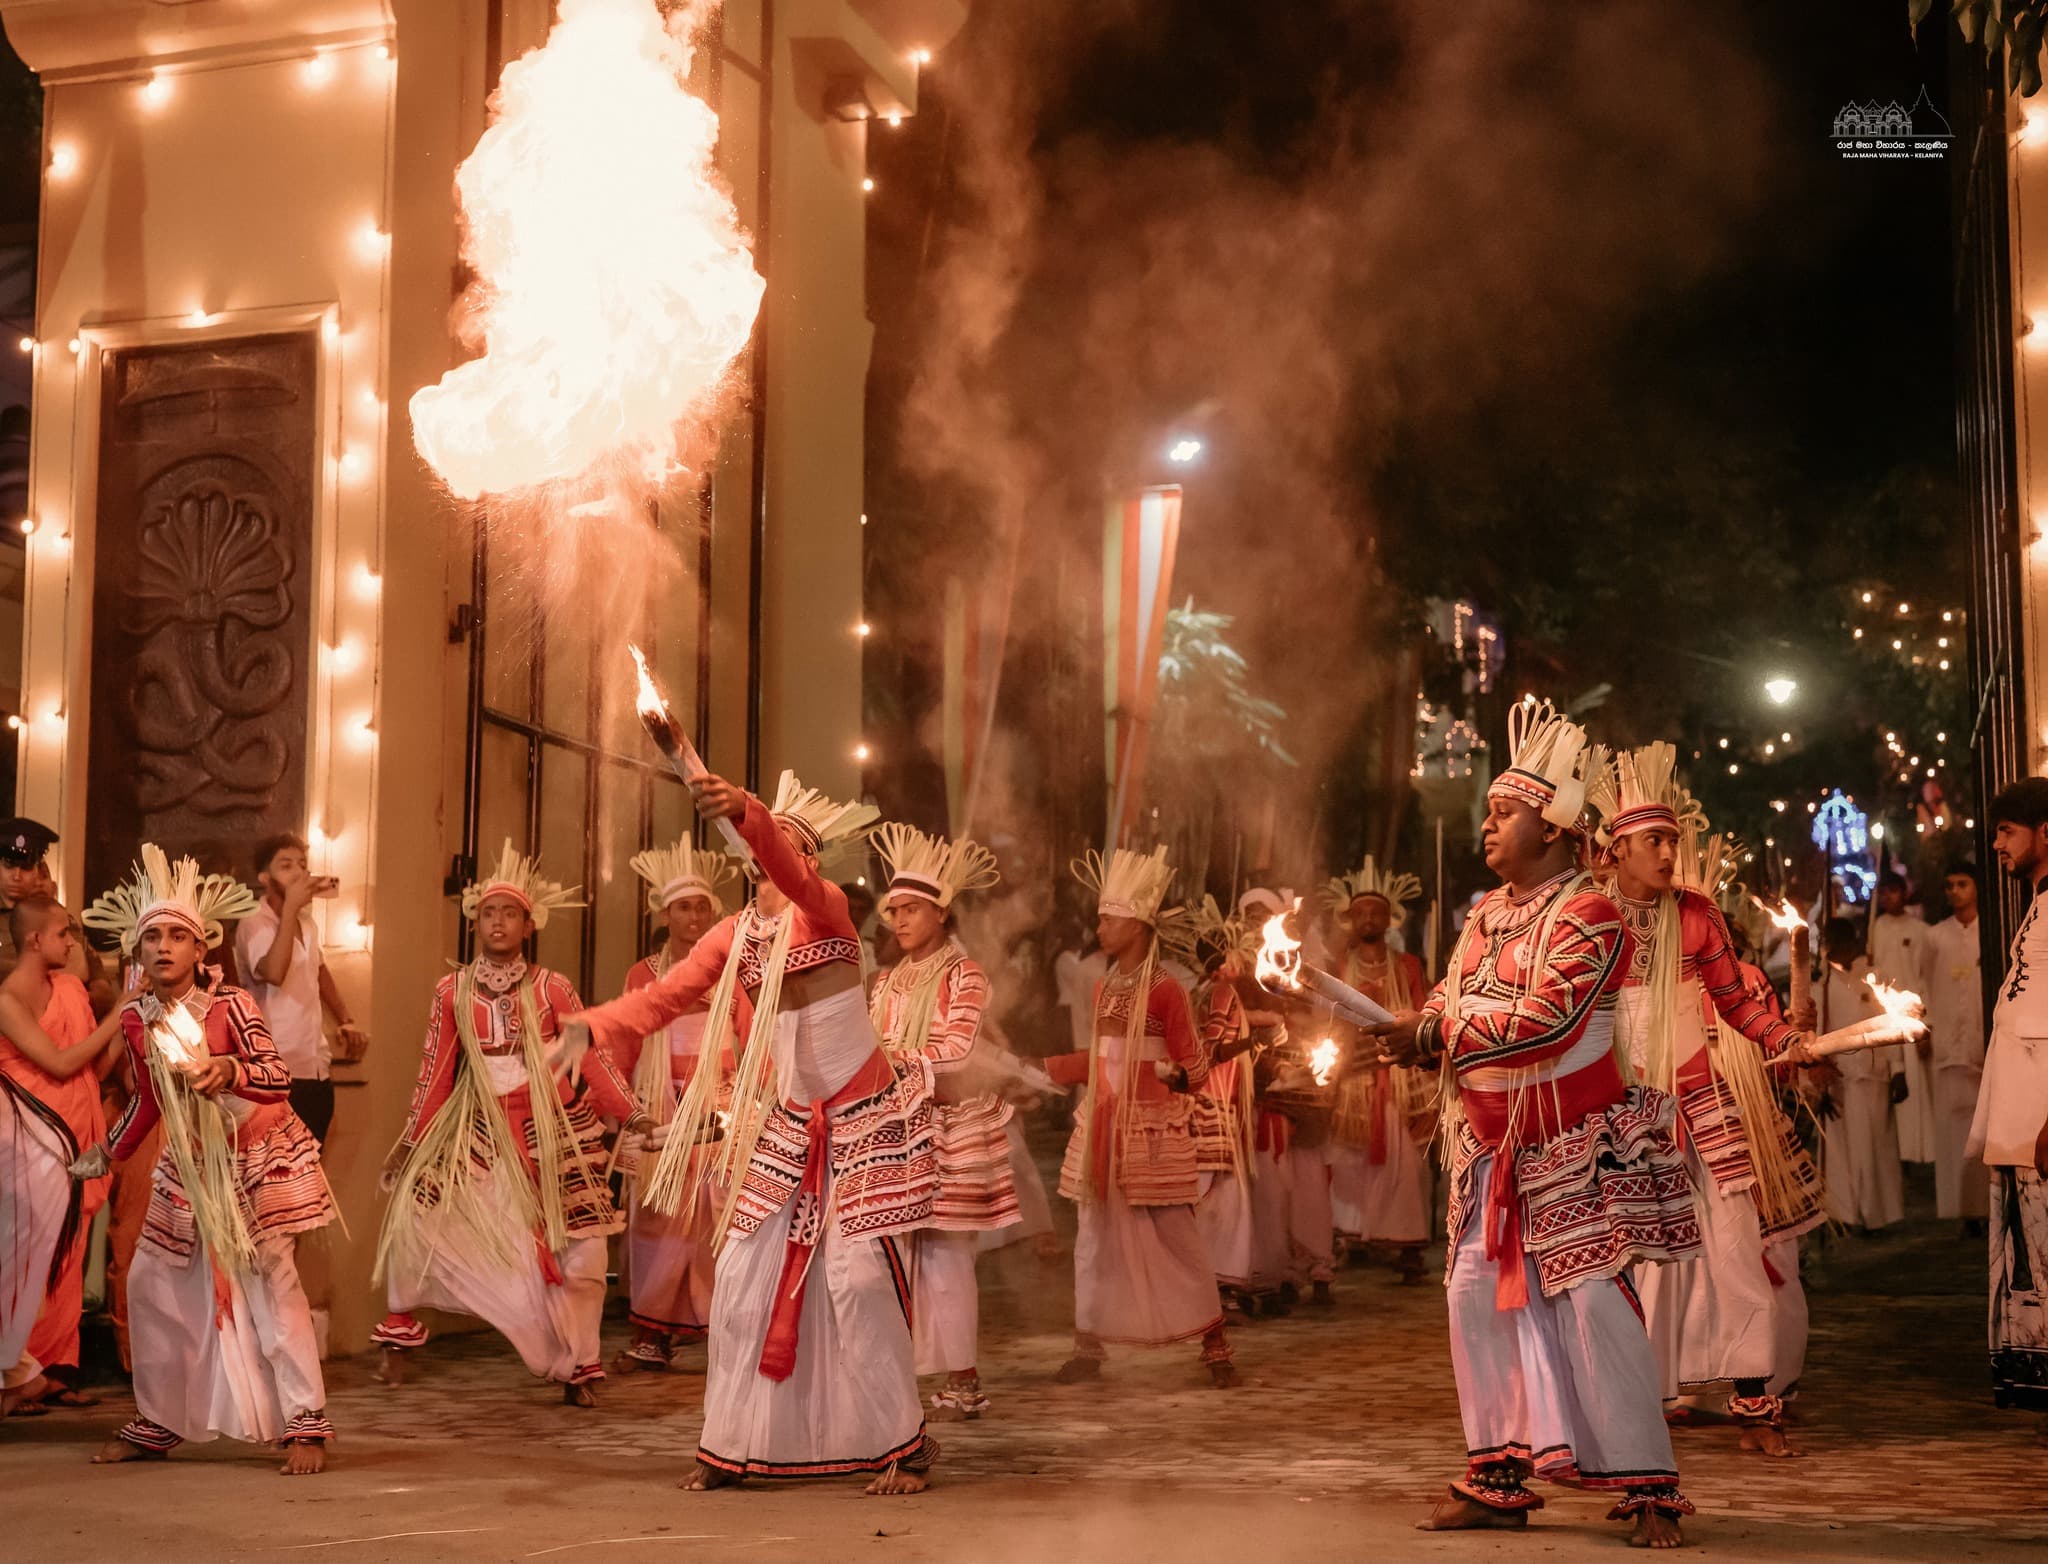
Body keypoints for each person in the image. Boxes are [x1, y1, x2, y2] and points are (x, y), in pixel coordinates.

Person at [1372, 702, 1697, 1548]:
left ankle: (1649, 1485)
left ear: (1550, 828)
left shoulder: (1591, 915)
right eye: (1488, 812)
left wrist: (1436, 1031)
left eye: (1502, 812)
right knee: (1474, 1298)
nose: (1487, 824)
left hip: (1571, 1143)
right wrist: (1417, 1032)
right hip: (1487, 1147)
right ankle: (1496, 1474)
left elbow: (1548, 1021)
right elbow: (1450, 998)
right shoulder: (1483, 915)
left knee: (1594, 1305)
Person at [570, 771, 940, 1494]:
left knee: (859, 1279)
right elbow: (665, 997)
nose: (758, 865)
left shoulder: (824, 907)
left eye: (768, 851)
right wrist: (592, 1026)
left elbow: (788, 865)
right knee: (739, 1279)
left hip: (864, 1116)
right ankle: (730, 1447)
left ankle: (903, 1446)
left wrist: (744, 806)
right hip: (792, 1121)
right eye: (751, 853)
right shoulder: (734, 934)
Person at [71, 846, 337, 1474]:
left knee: (273, 1286)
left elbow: (276, 1078)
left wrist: (230, 1070)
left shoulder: (233, 1006)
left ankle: (306, 1423)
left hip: (254, 1157)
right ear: (138, 951)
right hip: (189, 1165)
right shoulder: (136, 1017)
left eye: (176, 937)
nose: (163, 947)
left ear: (201, 949)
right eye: (152, 937)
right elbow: (150, 1102)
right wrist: (108, 1151)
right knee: (150, 1281)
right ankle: (161, 1418)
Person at [1588, 746, 1820, 1457]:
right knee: (1631, 1262)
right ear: (1617, 850)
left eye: (1671, 841)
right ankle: (1635, 1403)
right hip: (1622, 1114)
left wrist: (1783, 1037)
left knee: (1734, 1249)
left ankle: (1755, 1403)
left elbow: (1733, 1003)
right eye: (1652, 841)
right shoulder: (1589, 918)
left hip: (1703, 1104)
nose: (1667, 853)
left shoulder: (1696, 914)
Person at [373, 841, 645, 1405]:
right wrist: (409, 1143)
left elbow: (589, 1057)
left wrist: (632, 1113)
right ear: (476, 923)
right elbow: (437, 1071)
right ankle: (400, 1331)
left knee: (584, 1249)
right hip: (480, 1131)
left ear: (528, 924)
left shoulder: (552, 988)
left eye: (509, 914)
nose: (498, 923)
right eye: (488, 913)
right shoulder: (453, 991)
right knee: (418, 1213)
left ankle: (581, 1364)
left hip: (555, 1129)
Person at [1045, 846, 1236, 1388]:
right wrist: (1047, 1069)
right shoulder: (1106, 985)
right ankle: (1088, 1344)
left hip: (1150, 1129)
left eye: (1109, 918)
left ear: (1138, 924)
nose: (1100, 926)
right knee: (1093, 1237)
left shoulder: (1166, 989)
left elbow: (1195, 1067)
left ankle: (1215, 1343)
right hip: (1104, 1125)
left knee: (1176, 1234)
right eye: (1101, 917)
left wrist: (1178, 1076)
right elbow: (1102, 1059)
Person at [869, 823, 1018, 1420]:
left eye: (911, 910)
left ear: (941, 911)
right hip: (893, 1125)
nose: (900, 921)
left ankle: (963, 1378)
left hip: (951, 1125)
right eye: (894, 911)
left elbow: (957, 1050)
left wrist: (890, 1063)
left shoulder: (966, 974)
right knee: (891, 1255)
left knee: (948, 1257)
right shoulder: (883, 979)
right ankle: (899, 1373)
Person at [605, 837, 742, 1374]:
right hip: (659, 1108)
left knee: (720, 1219)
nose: (693, 916)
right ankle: (651, 1336)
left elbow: (750, 1035)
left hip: (720, 1110)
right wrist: (624, 1106)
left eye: (702, 907)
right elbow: (624, 1040)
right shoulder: (643, 974)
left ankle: (725, 1330)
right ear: (666, 914)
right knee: (658, 1222)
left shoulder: (733, 970)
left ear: (715, 914)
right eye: (683, 907)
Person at [234, 833, 370, 1362]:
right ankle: (267, 1319)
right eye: (285, 865)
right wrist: (290, 909)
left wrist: (347, 1017)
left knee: (302, 1196)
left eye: (302, 864)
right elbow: (270, 971)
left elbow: (318, 971)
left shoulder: (310, 924)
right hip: (270, 1076)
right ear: (265, 879)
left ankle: (291, 1314)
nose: (299, 872)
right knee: (271, 1199)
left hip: (312, 1069)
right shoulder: (253, 924)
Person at [0, 896, 126, 1406]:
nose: (71, 943)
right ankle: (17, 1371)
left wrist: (129, 1023)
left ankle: (37, 1373)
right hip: (26, 1137)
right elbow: (56, 1063)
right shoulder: (7, 999)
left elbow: (91, 1070)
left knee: (59, 1261)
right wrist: (117, 1015)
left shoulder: (69, 989)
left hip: (72, 1137)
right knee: (18, 1261)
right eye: (62, 934)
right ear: (36, 940)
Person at [1322, 856, 1433, 1284]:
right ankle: (1352, 1235)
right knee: (1350, 1160)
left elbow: (1422, 1009)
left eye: (1376, 912)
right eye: (1361, 912)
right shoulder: (1338, 967)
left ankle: (1405, 1244)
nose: (1368, 918)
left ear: (1389, 920)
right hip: (1356, 1071)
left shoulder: (1407, 965)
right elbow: (1328, 1017)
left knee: (1406, 1164)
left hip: (1400, 1073)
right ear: (1350, 919)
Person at [1973, 778, 2048, 1413]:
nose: (1997, 844)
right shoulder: (2038, 904)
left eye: (2007, 831)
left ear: (2046, 832)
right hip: (2022, 1131)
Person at [1817, 918, 1905, 1233]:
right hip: (1840, 1078)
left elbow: (1890, 1023)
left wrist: (1898, 1069)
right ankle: (1846, 1214)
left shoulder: (1874, 978)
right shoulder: (1821, 985)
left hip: (1874, 1073)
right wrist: (1816, 1076)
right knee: (1843, 1151)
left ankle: (1878, 1213)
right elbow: (1814, 1033)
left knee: (1876, 1147)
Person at [1924, 865, 1989, 1232]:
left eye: (1963, 884)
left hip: (1981, 1043)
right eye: (1949, 885)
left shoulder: (1990, 932)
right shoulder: (1936, 936)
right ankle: (1960, 1209)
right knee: (1952, 1133)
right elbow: (1926, 983)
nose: (1955, 892)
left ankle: (1986, 1205)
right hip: (1948, 1045)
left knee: (1982, 1128)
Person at [1870, 874, 1935, 1167]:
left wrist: (1927, 1020)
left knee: (1921, 1086)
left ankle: (1927, 1153)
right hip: (1885, 1012)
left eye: (1893, 891)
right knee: (1895, 1080)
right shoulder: (1876, 927)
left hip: (1915, 1012)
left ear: (1903, 893)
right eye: (1883, 892)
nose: (1888, 898)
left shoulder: (1921, 930)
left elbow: (1927, 977)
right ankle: (1903, 1156)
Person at [0, 817, 61, 982]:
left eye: (25, 867)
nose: (17, 876)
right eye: (9, 865)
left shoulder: (54, 916)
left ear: (37, 871)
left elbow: (82, 967)